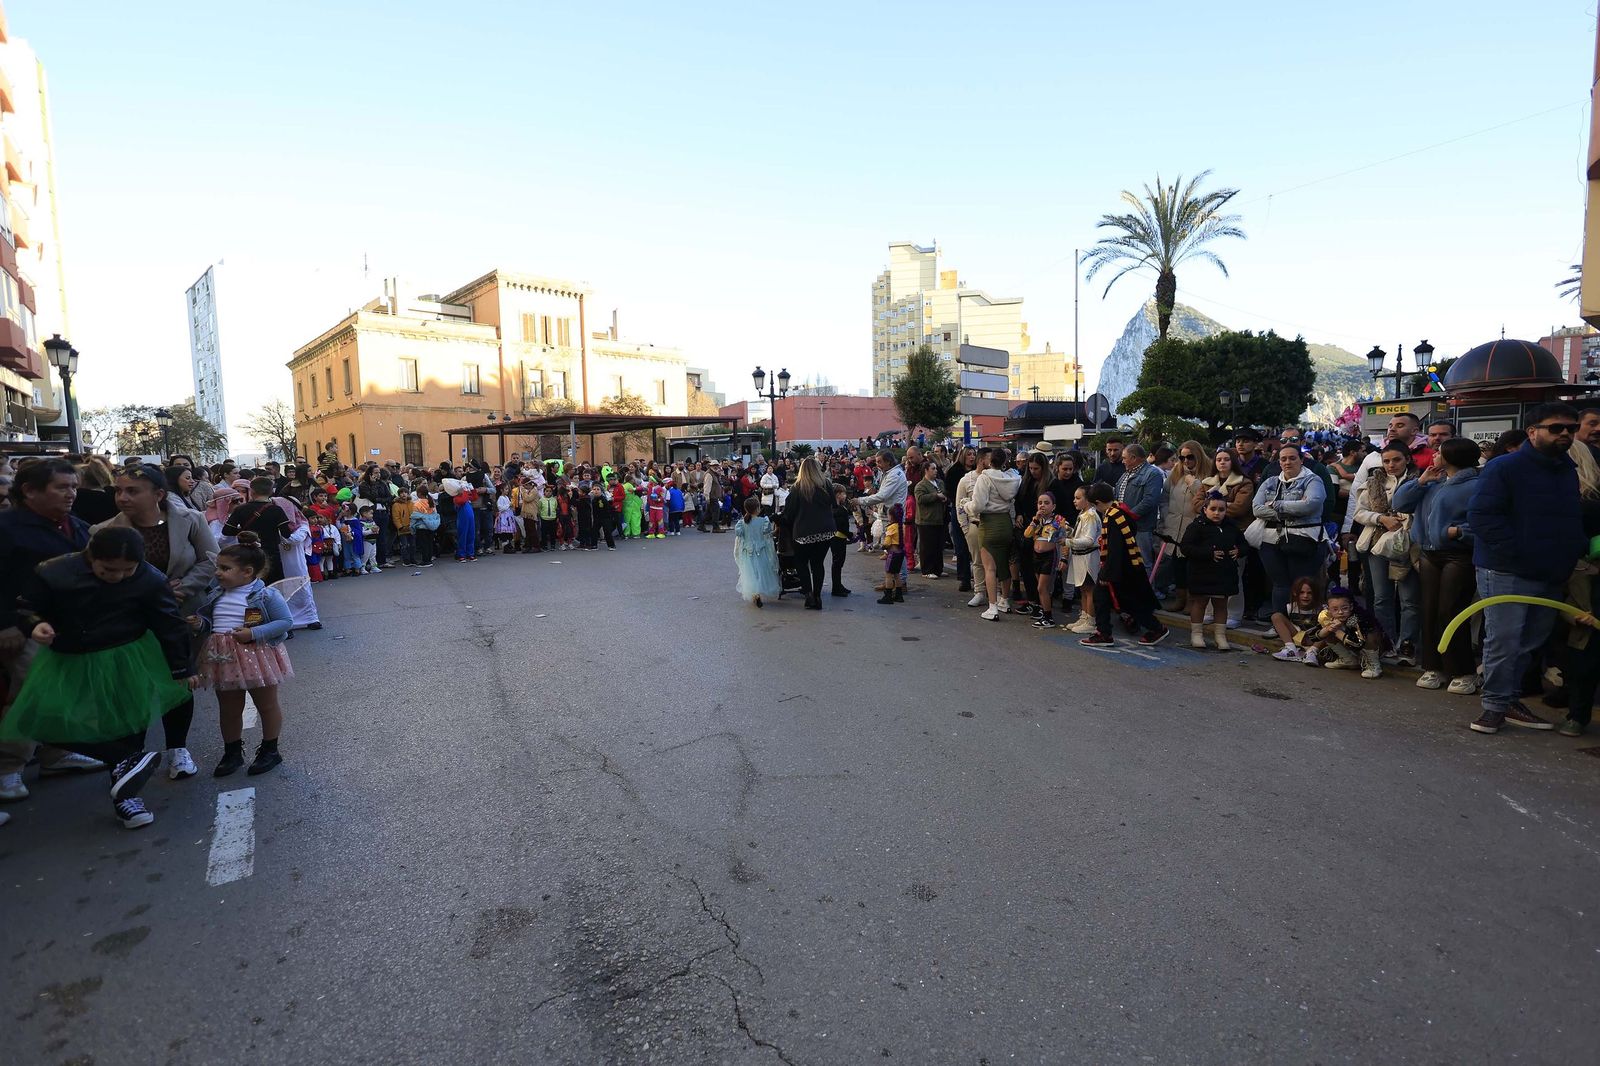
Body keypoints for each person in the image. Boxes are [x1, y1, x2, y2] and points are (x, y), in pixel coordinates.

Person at [1, 527, 198, 829]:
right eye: (108, 569)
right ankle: (124, 759)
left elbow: (169, 624)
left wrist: (182, 668)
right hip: (67, 659)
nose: (117, 577)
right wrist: (35, 624)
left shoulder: (151, 579)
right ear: (90, 557)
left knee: (129, 727)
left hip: (127, 657)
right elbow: (27, 607)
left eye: (127, 571)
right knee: (37, 720)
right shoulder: (54, 571)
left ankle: (126, 799)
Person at [1467, 403, 1587, 734]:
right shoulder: (1504, 467)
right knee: (1504, 641)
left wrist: (1570, 552)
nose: (1565, 433)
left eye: (1571, 428)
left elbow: (1569, 517)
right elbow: (1482, 517)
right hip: (1507, 570)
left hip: (1551, 571)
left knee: (1530, 642)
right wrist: (1518, 554)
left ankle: (1508, 700)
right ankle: (1493, 706)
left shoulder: (1567, 470)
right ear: (1532, 432)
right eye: (1556, 427)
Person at [96, 462, 219, 780]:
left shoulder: (189, 520)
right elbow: (98, 576)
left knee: (179, 679)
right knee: (133, 686)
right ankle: (131, 759)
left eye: (132, 491)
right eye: (118, 491)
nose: (122, 497)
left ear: (158, 494)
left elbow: (212, 560)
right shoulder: (103, 531)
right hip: (131, 621)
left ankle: (178, 749)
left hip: (181, 612)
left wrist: (184, 587)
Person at [0, 459, 107, 805]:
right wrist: (5, 624)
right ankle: (7, 767)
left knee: (67, 692)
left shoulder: (76, 526)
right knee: (29, 694)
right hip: (25, 628)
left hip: (71, 626)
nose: (71, 493)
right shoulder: (7, 528)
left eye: (74, 486)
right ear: (30, 491)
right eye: (62, 487)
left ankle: (57, 753)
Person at [194, 533, 294, 777]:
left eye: (225, 568)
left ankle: (270, 749)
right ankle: (232, 752)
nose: (218, 573)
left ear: (247, 572)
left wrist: (254, 633)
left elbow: (285, 621)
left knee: (266, 704)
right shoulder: (216, 594)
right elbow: (212, 621)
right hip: (223, 657)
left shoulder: (266, 595)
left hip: (256, 654)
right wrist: (200, 624)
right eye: (218, 567)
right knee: (228, 707)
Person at [1392, 437, 1481, 693]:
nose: (1433, 456)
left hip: (1459, 555)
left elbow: (1485, 522)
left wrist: (1457, 532)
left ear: (1451, 457)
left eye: (1438, 453)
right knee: (1428, 610)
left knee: (1451, 611)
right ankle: (1433, 666)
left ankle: (1462, 670)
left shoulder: (1476, 485)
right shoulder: (1433, 481)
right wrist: (1420, 482)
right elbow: (1399, 504)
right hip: (1429, 553)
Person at [1354, 441, 1421, 664]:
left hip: (1407, 544)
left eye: (1396, 460)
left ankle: (1407, 644)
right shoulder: (1373, 482)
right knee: (1381, 597)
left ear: (1407, 459)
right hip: (1377, 543)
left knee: (1409, 598)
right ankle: (1387, 642)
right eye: (1386, 461)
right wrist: (1380, 518)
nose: (1391, 465)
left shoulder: (1419, 481)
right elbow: (1359, 513)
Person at [1079, 482, 1168, 647]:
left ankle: (1157, 628)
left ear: (1098, 502)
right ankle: (1103, 632)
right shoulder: (1120, 510)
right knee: (1102, 597)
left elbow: (1115, 549)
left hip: (1123, 569)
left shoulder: (1113, 518)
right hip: (1126, 566)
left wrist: (1106, 573)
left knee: (1131, 603)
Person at [1252, 443, 1328, 613]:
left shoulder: (1313, 480)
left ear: (1301, 460)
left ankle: (1302, 626)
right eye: (1283, 459)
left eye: (1292, 458)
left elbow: (1310, 505)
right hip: (1270, 539)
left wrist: (1275, 505)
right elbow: (1256, 509)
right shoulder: (1270, 482)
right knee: (1280, 585)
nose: (1287, 462)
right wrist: (1288, 511)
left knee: (1301, 584)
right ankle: (1279, 624)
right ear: (1279, 462)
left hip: (1304, 538)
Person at [1181, 493, 1244, 650]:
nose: (1217, 513)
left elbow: (1244, 544)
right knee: (1200, 602)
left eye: (1221, 509)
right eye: (1213, 509)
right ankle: (1196, 634)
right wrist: (1208, 553)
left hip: (1224, 572)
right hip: (1202, 571)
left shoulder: (1231, 526)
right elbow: (1186, 547)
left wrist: (1239, 551)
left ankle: (1220, 636)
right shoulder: (1197, 526)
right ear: (1205, 509)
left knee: (1221, 604)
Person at [967, 448, 1021, 620]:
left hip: (989, 524)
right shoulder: (1012, 477)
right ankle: (1005, 600)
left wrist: (966, 505)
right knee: (1005, 564)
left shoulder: (985, 477)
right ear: (1005, 461)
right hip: (1006, 523)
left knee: (990, 568)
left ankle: (992, 607)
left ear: (990, 461)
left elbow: (978, 506)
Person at [1160, 441, 1211, 611]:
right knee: (1178, 565)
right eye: (1182, 457)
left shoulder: (1208, 473)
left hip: (1195, 526)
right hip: (1174, 525)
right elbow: (1165, 496)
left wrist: (1193, 482)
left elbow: (1208, 497)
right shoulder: (1176, 472)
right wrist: (1167, 516)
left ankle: (1192, 601)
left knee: (1194, 566)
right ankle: (1180, 599)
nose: (1186, 461)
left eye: (1190, 457)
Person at [782, 458, 836, 610]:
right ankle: (818, 595)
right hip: (826, 530)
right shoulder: (826, 484)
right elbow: (834, 503)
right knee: (818, 563)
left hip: (804, 531)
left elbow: (789, 512)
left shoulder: (798, 487)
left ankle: (809, 595)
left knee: (801, 562)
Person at [1297, 587, 1381, 678]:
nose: (1340, 612)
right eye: (1335, 609)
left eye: (1344, 608)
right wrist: (1327, 629)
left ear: (1351, 606)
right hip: (1353, 649)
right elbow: (1312, 637)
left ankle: (1374, 665)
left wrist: (1337, 631)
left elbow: (1358, 644)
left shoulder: (1356, 618)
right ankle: (1348, 660)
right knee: (1327, 631)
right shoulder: (1329, 617)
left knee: (1370, 633)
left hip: (1373, 648)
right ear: (1329, 609)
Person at [224, 477, 294, 584]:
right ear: (271, 491)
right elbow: (286, 533)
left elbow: (227, 530)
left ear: (252, 491)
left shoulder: (240, 509)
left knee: (251, 584)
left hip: (248, 552)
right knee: (273, 585)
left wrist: (244, 533)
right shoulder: (276, 510)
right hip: (271, 554)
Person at [1023, 492, 1069, 629]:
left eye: (1046, 503)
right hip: (1036, 556)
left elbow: (1065, 541)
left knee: (1042, 587)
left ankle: (1048, 617)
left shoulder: (1059, 520)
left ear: (1053, 506)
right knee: (1042, 588)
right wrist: (1035, 520)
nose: (1042, 505)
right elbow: (1027, 534)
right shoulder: (1037, 519)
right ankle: (1043, 612)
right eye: (1040, 503)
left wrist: (1064, 559)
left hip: (1049, 556)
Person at [1063, 486, 1103, 633]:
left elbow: (1089, 539)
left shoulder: (1091, 516)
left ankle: (1091, 621)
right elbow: (1081, 535)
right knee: (1083, 588)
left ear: (1088, 500)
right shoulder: (1083, 514)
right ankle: (1084, 616)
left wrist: (1067, 542)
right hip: (1080, 556)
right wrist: (1069, 531)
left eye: (1078, 498)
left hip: (1088, 556)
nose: (1074, 501)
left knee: (1089, 589)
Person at [733, 497, 780, 607]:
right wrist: (775, 532)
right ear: (758, 508)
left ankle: (755, 594)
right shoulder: (764, 521)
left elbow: (740, 539)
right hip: (761, 551)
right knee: (761, 572)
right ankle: (758, 592)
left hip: (747, 553)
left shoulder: (741, 523)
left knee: (751, 574)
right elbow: (767, 536)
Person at [1270, 576, 1323, 664]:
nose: (1305, 596)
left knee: (1330, 627)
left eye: (1309, 593)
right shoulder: (1290, 607)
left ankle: (1312, 653)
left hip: (1315, 639)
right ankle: (1291, 650)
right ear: (1295, 593)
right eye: (1301, 592)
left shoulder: (1321, 609)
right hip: (1297, 636)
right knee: (1276, 616)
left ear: (1315, 594)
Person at [913, 462, 948, 578]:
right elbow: (920, 499)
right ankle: (927, 570)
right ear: (926, 470)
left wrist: (944, 497)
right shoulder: (921, 485)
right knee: (927, 546)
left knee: (938, 546)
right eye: (933, 469)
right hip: (926, 520)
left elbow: (944, 493)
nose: (935, 471)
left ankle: (938, 569)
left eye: (936, 469)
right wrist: (936, 496)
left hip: (939, 519)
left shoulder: (940, 482)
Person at [879, 503, 906, 606]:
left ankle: (888, 596)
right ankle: (899, 595)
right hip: (900, 553)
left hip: (893, 554)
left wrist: (883, 546)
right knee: (897, 574)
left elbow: (887, 542)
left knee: (889, 575)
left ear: (891, 516)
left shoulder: (891, 527)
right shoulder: (901, 526)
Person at [829, 483, 853, 597]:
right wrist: (850, 535)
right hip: (838, 537)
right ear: (838, 495)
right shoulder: (838, 509)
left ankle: (838, 585)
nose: (845, 496)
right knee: (837, 563)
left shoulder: (835, 508)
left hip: (838, 537)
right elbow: (841, 527)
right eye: (843, 493)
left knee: (838, 563)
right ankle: (836, 587)